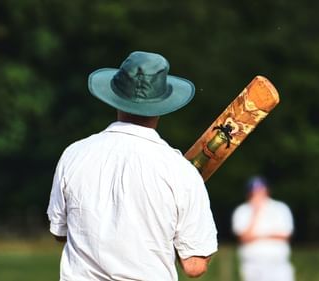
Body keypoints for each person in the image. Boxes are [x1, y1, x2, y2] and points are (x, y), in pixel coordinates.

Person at [47, 51, 218, 280]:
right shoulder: (180, 171)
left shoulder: (74, 154)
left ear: (114, 95)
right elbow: (194, 266)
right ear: (163, 104)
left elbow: (60, 231)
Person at [231, 176, 295, 281]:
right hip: (253, 265)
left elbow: (285, 235)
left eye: (261, 191)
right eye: (254, 192)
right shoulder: (242, 211)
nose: (258, 194)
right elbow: (244, 237)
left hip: (278, 264)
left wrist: (258, 236)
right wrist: (255, 213)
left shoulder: (280, 208)